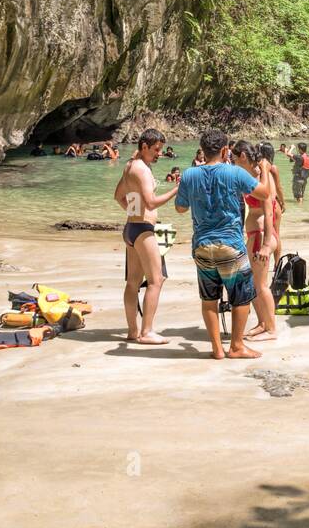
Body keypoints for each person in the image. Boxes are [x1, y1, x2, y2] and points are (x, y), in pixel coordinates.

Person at [175, 127, 273, 359]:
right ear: (225, 150)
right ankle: (237, 346)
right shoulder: (234, 173)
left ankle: (217, 349)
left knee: (209, 298)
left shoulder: (189, 175)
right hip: (230, 244)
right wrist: (266, 169)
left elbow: (180, 208)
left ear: (203, 150)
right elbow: (265, 193)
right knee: (241, 297)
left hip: (201, 246)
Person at [114, 128, 179, 345]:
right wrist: (176, 190)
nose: (159, 153)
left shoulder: (130, 166)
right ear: (144, 147)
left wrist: (133, 212)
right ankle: (147, 332)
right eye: (156, 150)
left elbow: (118, 196)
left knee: (133, 282)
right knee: (156, 280)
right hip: (143, 230)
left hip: (131, 228)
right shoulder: (141, 169)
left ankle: (133, 331)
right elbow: (150, 202)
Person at [230, 141, 278, 343]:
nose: (231, 162)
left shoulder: (262, 174)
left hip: (261, 235)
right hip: (254, 234)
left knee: (261, 285)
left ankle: (272, 329)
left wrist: (267, 245)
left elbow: (269, 213)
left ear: (242, 156)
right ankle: (262, 323)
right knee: (253, 284)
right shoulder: (250, 175)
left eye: (233, 158)